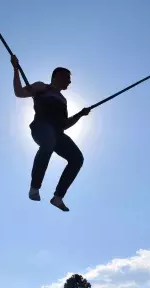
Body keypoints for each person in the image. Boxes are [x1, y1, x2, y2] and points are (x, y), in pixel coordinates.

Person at [11, 55, 90, 212]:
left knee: (77, 159)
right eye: (67, 78)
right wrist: (15, 68)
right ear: (57, 76)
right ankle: (35, 187)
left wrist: (80, 114)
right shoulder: (42, 87)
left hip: (57, 133)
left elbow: (64, 124)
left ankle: (58, 197)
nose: (69, 82)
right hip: (41, 127)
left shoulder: (63, 100)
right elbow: (19, 93)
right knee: (48, 142)